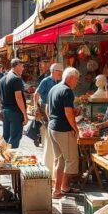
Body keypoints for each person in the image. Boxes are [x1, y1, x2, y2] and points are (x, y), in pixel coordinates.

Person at [47, 67, 81, 199]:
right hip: (63, 129)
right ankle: (63, 188)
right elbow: (67, 112)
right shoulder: (67, 91)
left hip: (53, 127)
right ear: (71, 78)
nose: (77, 82)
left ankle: (57, 190)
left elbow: (49, 109)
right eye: (76, 79)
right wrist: (75, 129)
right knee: (71, 161)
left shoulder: (54, 88)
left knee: (60, 160)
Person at [34, 63, 64, 176]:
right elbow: (36, 94)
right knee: (48, 135)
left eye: (62, 72)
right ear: (53, 71)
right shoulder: (46, 81)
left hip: (55, 111)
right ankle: (48, 164)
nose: (61, 74)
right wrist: (36, 108)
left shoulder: (60, 82)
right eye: (59, 72)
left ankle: (52, 165)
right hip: (45, 110)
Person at [0, 58, 29, 148]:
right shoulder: (16, 79)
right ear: (17, 66)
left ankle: (5, 158)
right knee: (15, 138)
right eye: (22, 66)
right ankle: (11, 158)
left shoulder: (3, 78)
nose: (23, 69)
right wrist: (24, 114)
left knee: (6, 137)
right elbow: (18, 97)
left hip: (5, 111)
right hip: (15, 112)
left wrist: (0, 110)